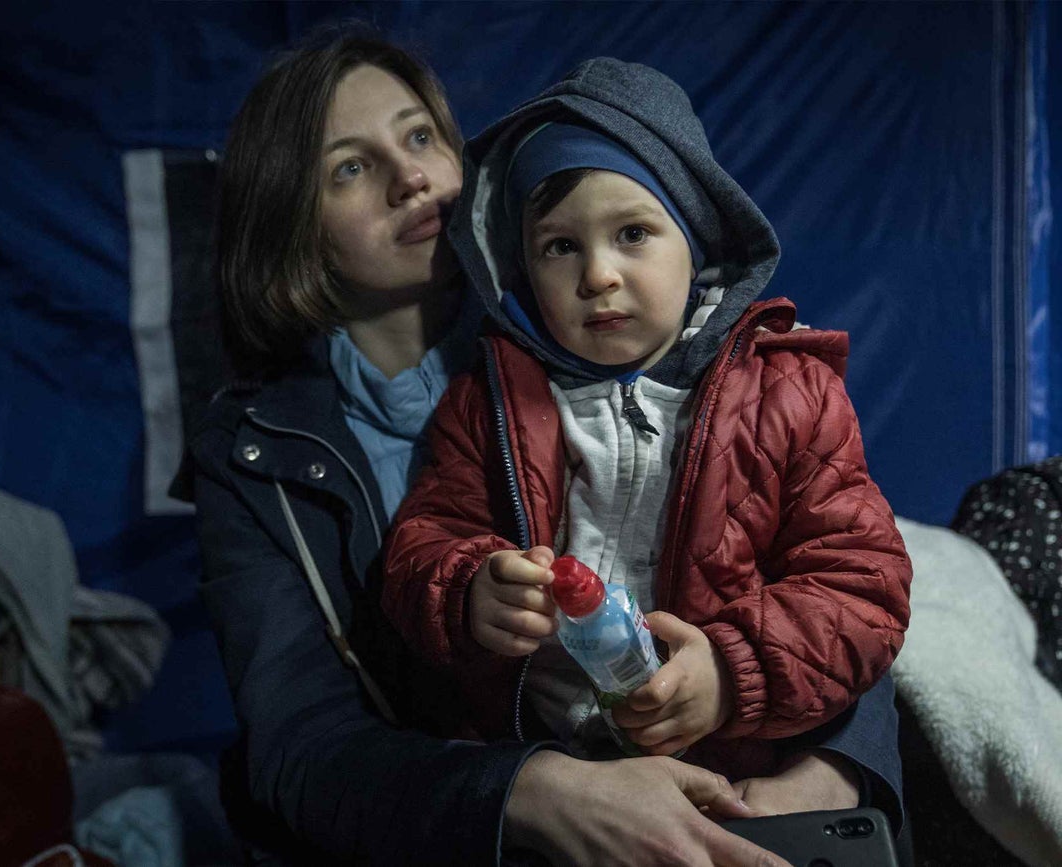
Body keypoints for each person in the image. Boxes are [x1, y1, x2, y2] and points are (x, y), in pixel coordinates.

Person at [182, 26, 904, 866]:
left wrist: (828, 773)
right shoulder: (258, 452)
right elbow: (299, 746)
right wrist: (531, 791)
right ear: (288, 222)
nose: (410, 177)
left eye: (420, 136)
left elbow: (844, 583)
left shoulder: (684, 368)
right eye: (349, 166)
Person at [382, 60, 912, 778]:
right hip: (547, 771)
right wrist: (468, 590)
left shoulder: (791, 393)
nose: (597, 274)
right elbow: (422, 544)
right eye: (560, 246)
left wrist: (730, 674)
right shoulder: (487, 403)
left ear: (695, 245)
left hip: (728, 765)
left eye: (632, 233)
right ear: (520, 271)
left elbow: (861, 583)